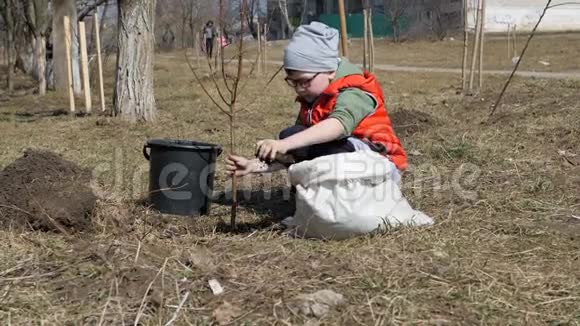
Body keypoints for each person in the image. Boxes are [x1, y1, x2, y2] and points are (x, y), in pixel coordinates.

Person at [226, 21, 407, 178]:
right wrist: (253, 166)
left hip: (382, 166)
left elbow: (337, 126)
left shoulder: (354, 91)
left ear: (330, 71)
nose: (299, 88)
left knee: (295, 138)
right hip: (348, 162)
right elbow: (297, 151)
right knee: (295, 135)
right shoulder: (312, 100)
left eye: (304, 81)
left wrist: (284, 144)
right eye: (293, 82)